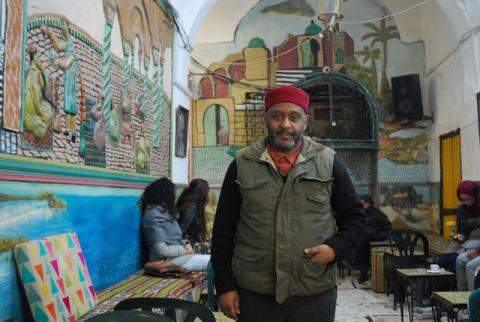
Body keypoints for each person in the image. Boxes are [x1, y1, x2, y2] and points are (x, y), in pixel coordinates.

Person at [211, 85, 366, 322]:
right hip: (255, 295)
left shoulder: (328, 162)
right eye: (277, 116)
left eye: (294, 117)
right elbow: (222, 231)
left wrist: (336, 248)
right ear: (266, 119)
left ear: (305, 121)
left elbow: (355, 219)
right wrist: (224, 286)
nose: (285, 124)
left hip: (313, 292)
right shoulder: (242, 164)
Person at [140, 178, 210, 271]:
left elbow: (178, 236)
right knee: (213, 262)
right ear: (164, 194)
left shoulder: (165, 213)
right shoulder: (153, 216)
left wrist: (186, 244)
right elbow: (162, 251)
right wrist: (184, 250)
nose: (175, 197)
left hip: (178, 256)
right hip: (165, 261)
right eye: (172, 193)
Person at [356, 194, 392, 283]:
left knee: (362, 244)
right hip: (364, 237)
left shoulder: (377, 213)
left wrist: (379, 236)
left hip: (374, 237)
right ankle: (363, 272)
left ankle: (364, 274)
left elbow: (388, 228)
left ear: (366, 203)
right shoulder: (362, 213)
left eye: (361, 203)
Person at [455, 180, 480, 291]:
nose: (465, 202)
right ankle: (462, 299)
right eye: (463, 200)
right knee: (459, 259)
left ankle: (473, 303)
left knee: (471, 265)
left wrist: (477, 249)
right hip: (469, 243)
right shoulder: (462, 209)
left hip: (476, 245)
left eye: (468, 199)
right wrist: (461, 236)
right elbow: (462, 229)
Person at [177, 179, 210, 247]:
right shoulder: (191, 209)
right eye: (207, 192)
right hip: (188, 248)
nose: (208, 195)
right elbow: (180, 232)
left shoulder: (192, 206)